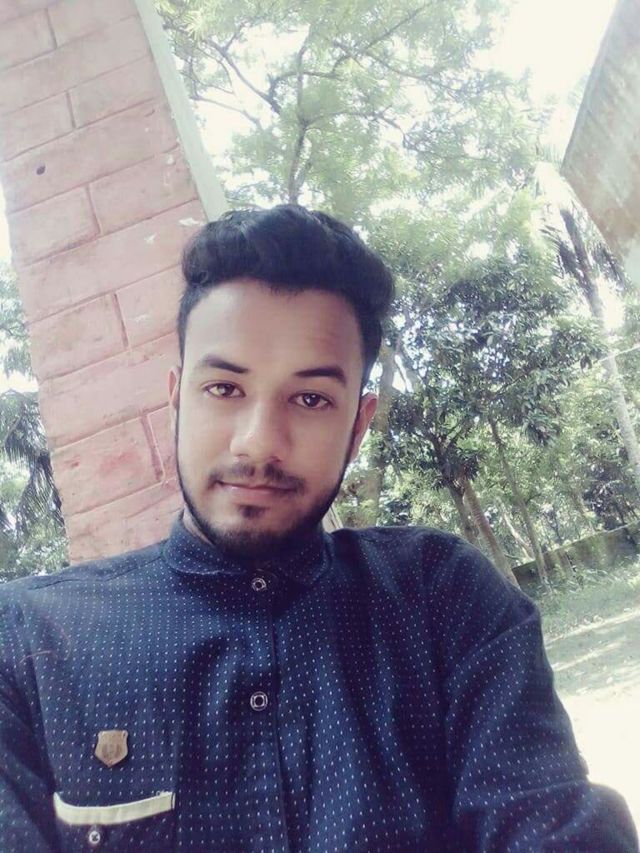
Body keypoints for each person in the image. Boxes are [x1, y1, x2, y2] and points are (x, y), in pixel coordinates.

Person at [0, 205, 637, 853]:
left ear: (357, 427)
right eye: (224, 389)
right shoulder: (25, 647)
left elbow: (550, 821)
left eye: (310, 399)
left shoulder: (443, 601)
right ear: (176, 401)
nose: (259, 442)